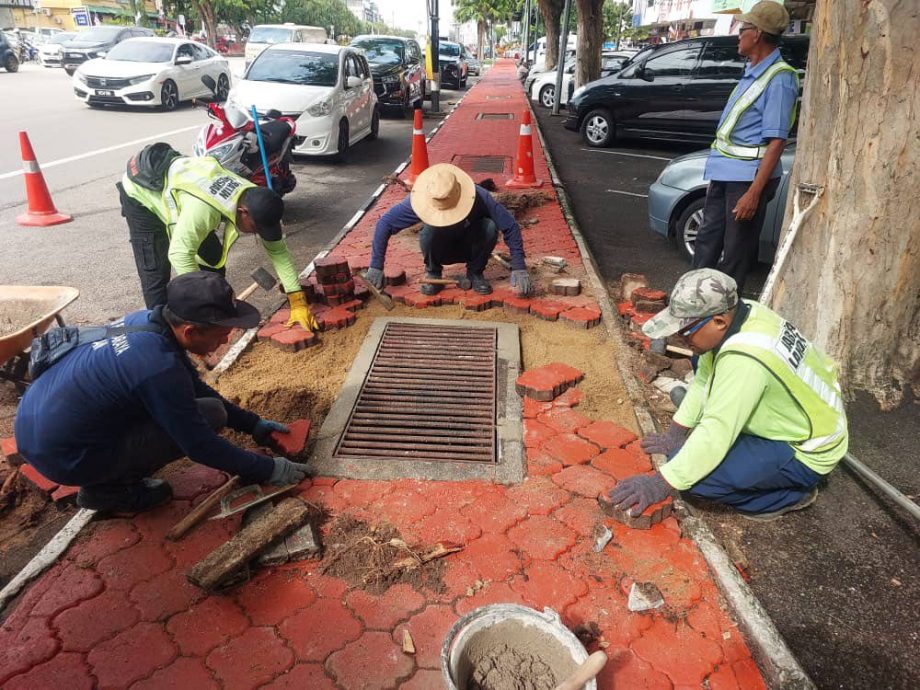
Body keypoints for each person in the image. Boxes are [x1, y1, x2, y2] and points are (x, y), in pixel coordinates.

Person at [14, 272, 311, 514]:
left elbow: (193, 387)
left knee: (202, 407)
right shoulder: (157, 367)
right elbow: (199, 445)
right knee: (208, 415)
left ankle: (105, 472)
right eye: (222, 335)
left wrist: (251, 424)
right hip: (63, 456)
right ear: (191, 332)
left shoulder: (146, 322)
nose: (225, 340)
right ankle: (108, 491)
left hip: (37, 425)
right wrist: (268, 469)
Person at [608, 269, 848, 521]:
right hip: (795, 417)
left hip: (807, 449)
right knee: (701, 361)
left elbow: (717, 431)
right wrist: (675, 434)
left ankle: (789, 495)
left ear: (719, 321)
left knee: (695, 481)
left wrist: (660, 483)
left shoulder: (745, 360)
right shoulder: (743, 312)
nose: (681, 338)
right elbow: (704, 380)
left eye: (685, 331)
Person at [118, 146, 316, 331]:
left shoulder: (249, 192)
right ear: (243, 212)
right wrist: (200, 302)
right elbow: (179, 255)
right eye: (256, 229)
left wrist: (296, 299)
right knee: (156, 278)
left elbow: (277, 250)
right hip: (140, 195)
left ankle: (215, 318)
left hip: (184, 194)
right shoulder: (201, 210)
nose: (258, 234)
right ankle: (164, 338)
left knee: (213, 262)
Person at [691, 1, 799, 295]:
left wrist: (754, 192)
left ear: (759, 34)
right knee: (707, 241)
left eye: (744, 29)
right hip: (725, 174)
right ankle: (691, 307)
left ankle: (721, 323)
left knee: (735, 254)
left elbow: (776, 141)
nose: (739, 34)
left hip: (748, 180)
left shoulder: (779, 78)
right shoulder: (753, 70)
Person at [363, 164, 532, 297]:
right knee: (429, 229)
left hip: (471, 245)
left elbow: (510, 225)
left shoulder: (480, 196)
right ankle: (433, 273)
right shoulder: (421, 199)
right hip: (440, 248)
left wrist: (519, 266)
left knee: (489, 227)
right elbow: (384, 224)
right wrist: (376, 266)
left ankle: (475, 272)